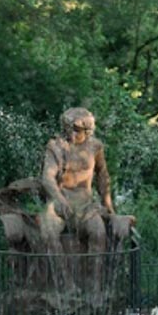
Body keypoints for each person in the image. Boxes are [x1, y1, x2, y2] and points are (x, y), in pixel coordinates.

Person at [38, 107, 114, 256]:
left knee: (98, 233)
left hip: (86, 206)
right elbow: (47, 178)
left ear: (88, 131)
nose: (72, 134)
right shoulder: (55, 146)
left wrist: (108, 205)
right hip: (58, 205)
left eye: (77, 130)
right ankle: (62, 278)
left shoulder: (95, 147)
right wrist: (59, 199)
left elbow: (103, 177)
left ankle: (95, 280)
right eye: (69, 129)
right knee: (48, 235)